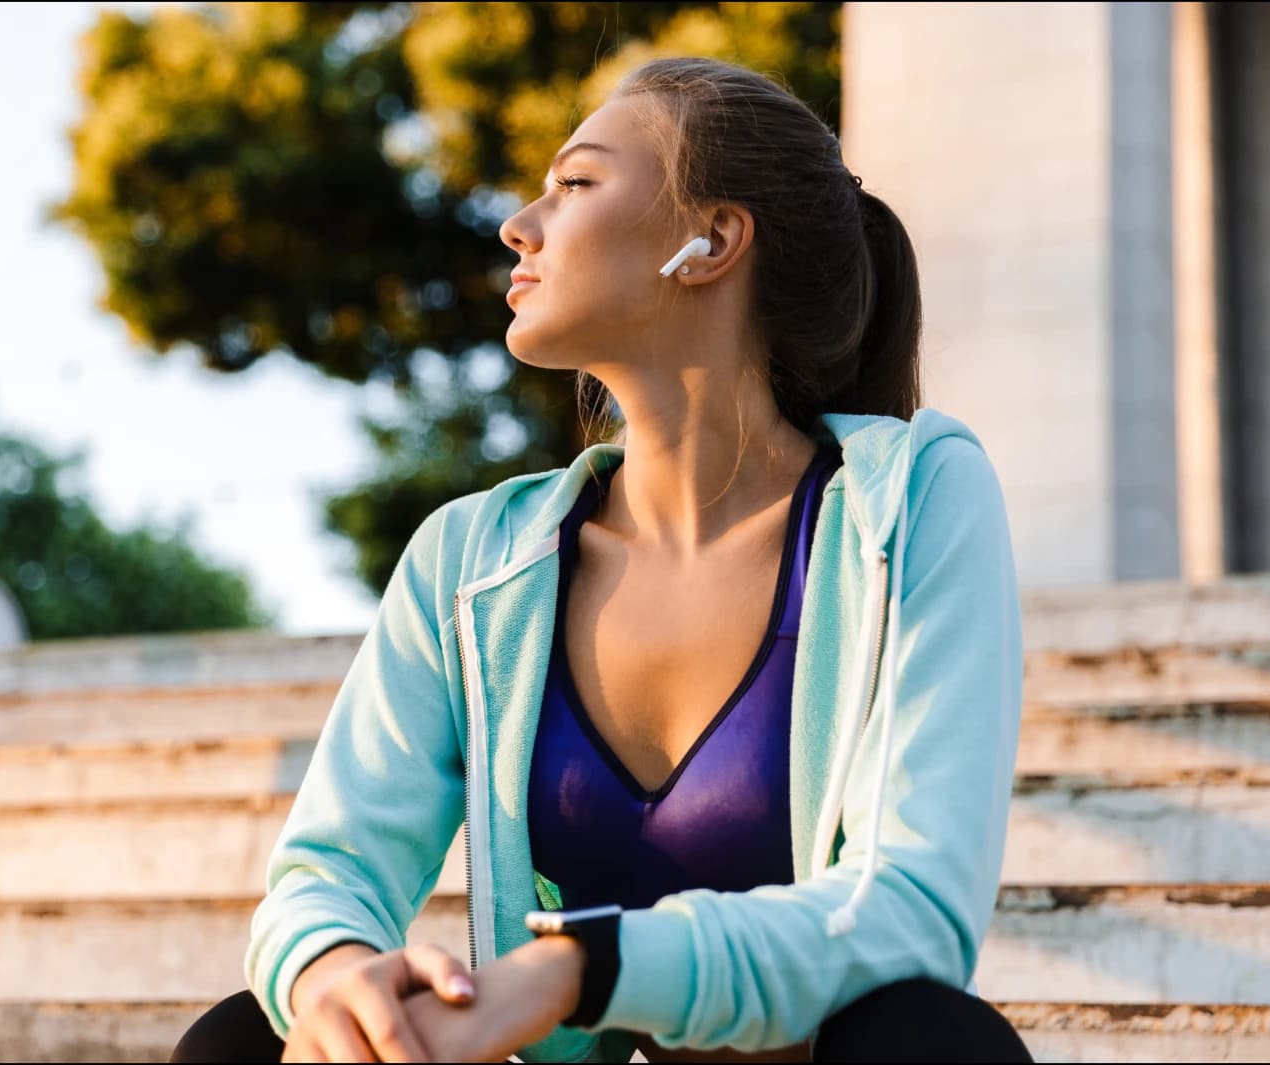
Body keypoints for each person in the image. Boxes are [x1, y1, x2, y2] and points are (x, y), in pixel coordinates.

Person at [173, 55, 1033, 1063]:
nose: (517, 225)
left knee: (929, 1036)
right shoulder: (470, 560)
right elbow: (326, 874)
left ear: (709, 240)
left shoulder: (907, 500)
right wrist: (333, 976)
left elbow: (912, 909)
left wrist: (581, 968)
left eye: (573, 184)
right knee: (243, 1039)